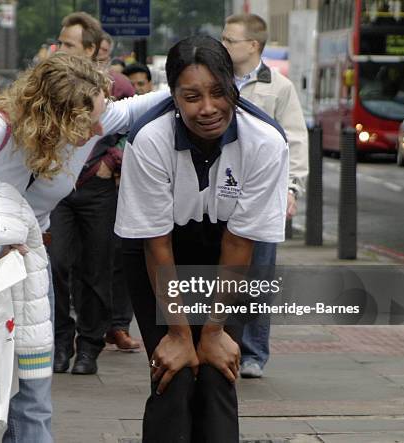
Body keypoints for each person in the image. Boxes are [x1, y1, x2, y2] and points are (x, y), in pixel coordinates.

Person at [0, 52, 168, 442]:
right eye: (86, 121)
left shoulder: (89, 121)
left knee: (32, 398)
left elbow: (139, 107)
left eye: (98, 115)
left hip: (24, 269)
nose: (97, 129)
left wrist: (213, 82)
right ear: (53, 115)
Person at [115, 35, 289, 442]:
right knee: (172, 373)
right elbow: (156, 243)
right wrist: (178, 333)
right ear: (173, 96)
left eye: (217, 92)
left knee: (216, 372)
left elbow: (239, 242)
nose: (208, 108)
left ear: (234, 87)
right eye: (192, 96)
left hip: (230, 252)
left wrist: (211, 331)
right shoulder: (149, 139)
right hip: (158, 250)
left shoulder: (265, 141)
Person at [51, 12, 139, 376]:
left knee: (95, 269)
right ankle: (59, 342)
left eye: (68, 44)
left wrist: (112, 161)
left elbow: (136, 129)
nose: (60, 49)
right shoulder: (51, 83)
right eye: (60, 42)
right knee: (54, 265)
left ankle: (89, 346)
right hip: (55, 189)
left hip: (97, 188)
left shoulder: (116, 85)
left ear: (90, 49)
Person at [222, 13, 308, 378]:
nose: (223, 45)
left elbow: (295, 141)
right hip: (221, 193)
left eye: (230, 40)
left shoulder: (279, 87)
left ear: (253, 45)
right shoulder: (217, 81)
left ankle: (254, 352)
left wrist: (292, 188)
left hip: (264, 198)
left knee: (257, 277)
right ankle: (221, 342)